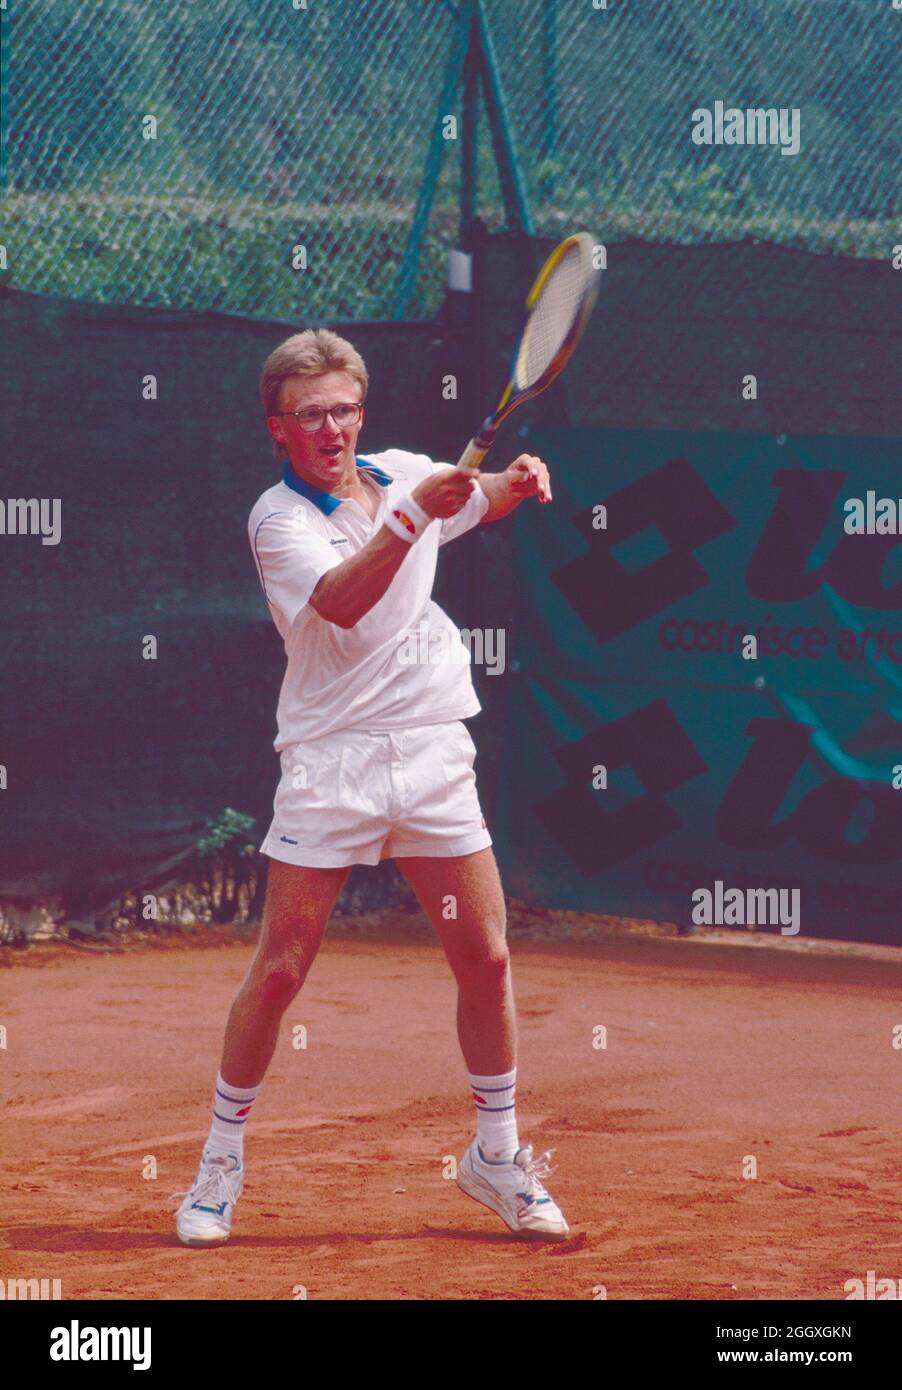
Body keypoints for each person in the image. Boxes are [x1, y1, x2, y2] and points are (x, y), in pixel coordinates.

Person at [173, 328, 568, 1246]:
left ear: (363, 412)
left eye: (345, 410)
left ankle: (497, 1157)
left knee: (490, 959)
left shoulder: (405, 471)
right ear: (279, 428)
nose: (332, 429)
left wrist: (518, 480)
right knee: (279, 972)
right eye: (311, 416)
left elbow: (485, 500)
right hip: (332, 763)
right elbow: (343, 601)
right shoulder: (278, 520)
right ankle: (219, 1165)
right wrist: (411, 517)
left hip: (431, 753)